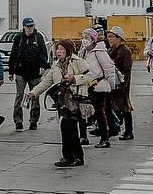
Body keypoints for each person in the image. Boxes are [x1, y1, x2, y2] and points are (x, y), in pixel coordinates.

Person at [29, 38, 101, 167]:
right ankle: (68, 156)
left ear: (68, 51)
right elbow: (47, 81)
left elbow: (92, 76)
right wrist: (34, 93)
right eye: (57, 49)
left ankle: (76, 157)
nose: (58, 51)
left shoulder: (77, 62)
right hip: (62, 101)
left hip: (76, 100)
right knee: (65, 128)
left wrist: (75, 79)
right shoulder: (56, 65)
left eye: (61, 49)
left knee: (71, 128)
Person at [79, 27, 119, 148]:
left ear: (93, 39)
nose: (84, 40)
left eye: (87, 37)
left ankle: (104, 138)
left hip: (100, 86)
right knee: (82, 112)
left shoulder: (99, 51)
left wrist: (111, 86)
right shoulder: (83, 51)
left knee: (99, 112)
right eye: (83, 37)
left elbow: (109, 69)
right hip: (86, 85)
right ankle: (83, 137)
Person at [9, 17, 50, 131]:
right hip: (20, 72)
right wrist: (11, 71)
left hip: (35, 72)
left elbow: (43, 53)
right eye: (28, 26)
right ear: (24, 27)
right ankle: (18, 121)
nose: (30, 28)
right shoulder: (18, 38)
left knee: (35, 97)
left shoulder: (38, 37)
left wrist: (43, 66)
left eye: (32, 26)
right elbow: (13, 54)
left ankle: (33, 121)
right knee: (19, 96)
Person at [106, 26, 135, 140]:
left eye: (112, 37)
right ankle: (114, 128)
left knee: (125, 107)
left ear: (119, 38)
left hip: (122, 83)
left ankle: (129, 131)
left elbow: (127, 70)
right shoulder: (110, 50)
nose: (110, 39)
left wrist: (123, 83)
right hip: (112, 82)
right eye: (109, 37)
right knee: (113, 106)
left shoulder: (125, 51)